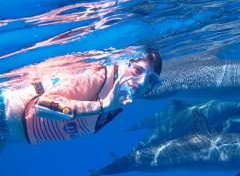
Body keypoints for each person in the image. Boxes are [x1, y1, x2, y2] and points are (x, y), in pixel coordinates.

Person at [0, 46, 162, 145]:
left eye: (150, 80)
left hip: (7, 132)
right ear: (127, 63)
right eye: (137, 70)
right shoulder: (99, 78)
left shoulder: (118, 100)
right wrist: (102, 105)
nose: (141, 82)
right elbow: (42, 106)